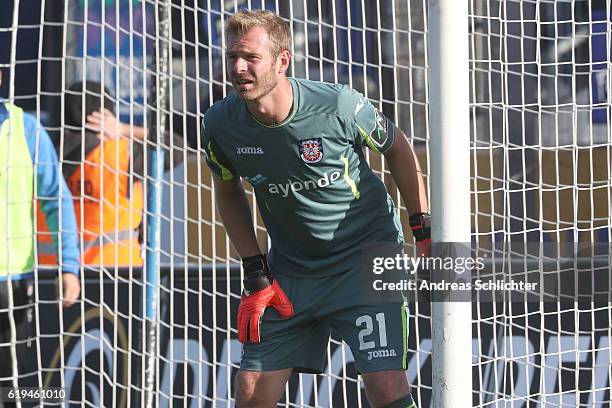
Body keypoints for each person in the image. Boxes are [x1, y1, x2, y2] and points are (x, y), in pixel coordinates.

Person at [201, 10, 430, 408]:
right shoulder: (220, 123)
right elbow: (228, 191)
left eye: (251, 58)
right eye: (232, 57)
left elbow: (397, 147)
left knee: (386, 385)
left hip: (365, 260)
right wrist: (255, 269)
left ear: (282, 60)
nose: (238, 68)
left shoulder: (338, 104)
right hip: (290, 272)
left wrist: (421, 227)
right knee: (251, 389)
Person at [37, 81, 184, 268]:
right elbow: (177, 145)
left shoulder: (41, 157)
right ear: (105, 115)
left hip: (52, 276)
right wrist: (123, 129)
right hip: (115, 276)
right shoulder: (121, 155)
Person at [0, 68, 80, 401]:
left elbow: (56, 200)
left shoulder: (26, 129)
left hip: (12, 283)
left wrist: (69, 266)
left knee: (16, 390)